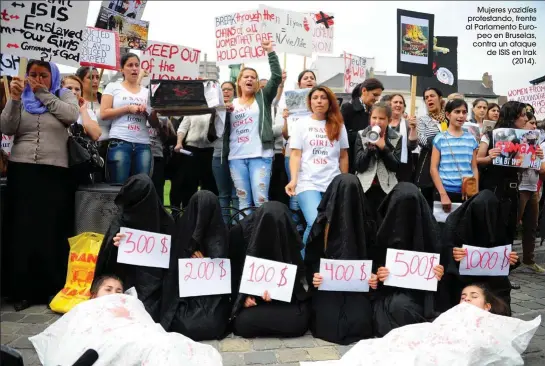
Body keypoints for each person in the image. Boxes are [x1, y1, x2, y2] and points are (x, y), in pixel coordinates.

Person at [1, 60, 79, 311]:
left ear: (52, 76)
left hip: (55, 170)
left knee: (51, 227)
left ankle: (51, 287)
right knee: (23, 228)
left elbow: (70, 115)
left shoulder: (63, 93)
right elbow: (7, 127)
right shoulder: (20, 96)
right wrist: (14, 100)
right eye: (32, 74)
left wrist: (42, 93)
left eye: (43, 75)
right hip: (23, 168)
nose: (37, 79)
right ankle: (22, 290)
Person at [305, 174, 378, 345]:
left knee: (360, 321)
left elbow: (376, 255)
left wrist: (375, 275)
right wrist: (315, 275)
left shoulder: (369, 224)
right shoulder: (323, 224)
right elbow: (311, 258)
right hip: (329, 286)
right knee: (328, 321)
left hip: (358, 288)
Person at [93, 174, 175, 321]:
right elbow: (106, 265)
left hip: (157, 285)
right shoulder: (122, 219)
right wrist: (114, 246)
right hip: (125, 280)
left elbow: (174, 260)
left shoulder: (166, 222)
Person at [371, 183, 445, 337]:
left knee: (402, 307)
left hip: (422, 297)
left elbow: (445, 269)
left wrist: (440, 272)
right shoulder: (380, 229)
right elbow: (373, 263)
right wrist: (379, 273)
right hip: (389, 293)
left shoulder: (433, 234)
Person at [229, 202, 310, 338]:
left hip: (282, 302)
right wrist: (244, 297)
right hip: (253, 302)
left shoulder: (286, 231)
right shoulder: (239, 233)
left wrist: (279, 292)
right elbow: (234, 274)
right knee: (242, 322)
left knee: (300, 320)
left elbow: (296, 278)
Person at [285, 86, 349, 254]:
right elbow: (296, 154)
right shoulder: (301, 124)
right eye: (315, 98)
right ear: (310, 102)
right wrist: (293, 180)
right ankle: (303, 264)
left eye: (323, 97)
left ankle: (320, 264)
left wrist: (344, 182)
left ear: (330, 101)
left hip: (332, 182)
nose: (319, 101)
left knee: (331, 225)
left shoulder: (339, 125)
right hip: (308, 182)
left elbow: (343, 156)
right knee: (315, 221)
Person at [160, 191, 231, 341]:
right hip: (184, 298)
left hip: (213, 298)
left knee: (211, 322)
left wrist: (207, 262)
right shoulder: (180, 231)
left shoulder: (223, 235)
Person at [439, 190, 519, 314]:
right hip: (461, 280)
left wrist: (512, 260)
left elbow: (503, 257)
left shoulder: (499, 224)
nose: (486, 222)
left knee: (500, 298)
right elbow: (444, 255)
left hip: (491, 281)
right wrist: (453, 255)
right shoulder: (455, 224)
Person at [225, 39, 282, 211]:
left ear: (257, 83)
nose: (249, 79)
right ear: (239, 82)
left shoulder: (263, 98)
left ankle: (261, 237)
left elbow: (277, 76)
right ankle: (245, 237)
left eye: (253, 77)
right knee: (243, 203)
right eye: (246, 77)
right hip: (236, 157)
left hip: (260, 155)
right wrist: (222, 113)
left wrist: (270, 52)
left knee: (260, 200)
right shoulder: (231, 104)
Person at [101, 53, 160, 184]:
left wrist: (152, 113)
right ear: (121, 69)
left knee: (141, 188)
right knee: (119, 186)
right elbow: (104, 113)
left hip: (143, 144)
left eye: (137, 65)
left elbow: (154, 123)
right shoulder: (113, 87)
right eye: (130, 65)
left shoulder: (147, 92)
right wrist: (128, 108)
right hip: (120, 142)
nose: (134, 68)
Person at [477, 101, 529, 244]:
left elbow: (523, 167)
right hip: (492, 190)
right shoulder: (490, 135)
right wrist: (489, 157)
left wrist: (533, 157)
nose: (526, 119)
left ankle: (505, 264)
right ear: (512, 117)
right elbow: (477, 159)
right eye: (523, 115)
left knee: (508, 231)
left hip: (512, 192)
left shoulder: (525, 139)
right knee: (490, 230)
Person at [281, 69, 318, 234]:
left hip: (314, 156)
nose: (309, 80)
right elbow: (285, 134)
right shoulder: (291, 104)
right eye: (306, 78)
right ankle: (297, 231)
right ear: (299, 83)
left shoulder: (320, 105)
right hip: (293, 154)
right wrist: (285, 119)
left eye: (312, 78)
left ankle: (310, 228)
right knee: (294, 194)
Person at [430, 99, 479, 211]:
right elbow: (433, 168)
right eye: (457, 112)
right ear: (448, 114)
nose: (461, 115)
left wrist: (475, 191)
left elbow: (474, 168)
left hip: (467, 192)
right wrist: (443, 195)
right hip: (446, 191)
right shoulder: (440, 138)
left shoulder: (471, 139)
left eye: (464, 112)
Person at [354, 103, 402, 214]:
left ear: (389, 121)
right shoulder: (361, 135)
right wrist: (369, 150)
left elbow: (396, 167)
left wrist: (384, 148)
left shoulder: (397, 137)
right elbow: (358, 165)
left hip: (387, 188)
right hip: (364, 187)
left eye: (381, 118)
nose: (377, 121)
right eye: (374, 118)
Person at [517, 111, 545, 273]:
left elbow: (542, 169)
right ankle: (506, 261)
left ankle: (529, 260)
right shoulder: (515, 140)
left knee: (532, 226)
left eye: (535, 123)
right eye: (530, 122)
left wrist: (539, 157)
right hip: (520, 188)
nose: (534, 126)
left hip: (533, 187)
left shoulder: (538, 144)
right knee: (513, 224)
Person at [174, 113, 219, 208]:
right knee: (189, 183)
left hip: (209, 149)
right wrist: (179, 142)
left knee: (209, 184)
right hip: (191, 149)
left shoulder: (214, 110)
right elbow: (183, 127)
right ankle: (188, 213)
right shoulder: (193, 110)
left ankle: (208, 213)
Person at [341, 78, 385, 173]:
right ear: (364, 91)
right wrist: (363, 135)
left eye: (379, 96)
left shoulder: (373, 111)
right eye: (375, 95)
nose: (377, 99)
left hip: (368, 161)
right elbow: (341, 136)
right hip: (351, 159)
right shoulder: (348, 108)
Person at [415, 87, 448, 207]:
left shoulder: (449, 118)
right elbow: (422, 140)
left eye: (432, 96)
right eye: (426, 98)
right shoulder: (422, 120)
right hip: (428, 164)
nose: (429, 99)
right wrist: (441, 139)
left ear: (440, 99)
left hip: (448, 165)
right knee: (428, 201)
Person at [76, 66, 108, 181]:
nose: (95, 81)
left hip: (107, 150)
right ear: (80, 81)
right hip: (86, 151)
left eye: (97, 77)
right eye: (90, 77)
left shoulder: (105, 100)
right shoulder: (76, 102)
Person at [212, 81, 238, 222]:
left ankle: (236, 227)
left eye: (229, 89)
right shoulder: (214, 108)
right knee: (223, 194)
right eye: (223, 90)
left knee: (236, 194)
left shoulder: (239, 108)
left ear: (234, 92)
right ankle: (224, 227)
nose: (226, 92)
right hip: (218, 154)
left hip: (236, 155)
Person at [61, 75, 102, 141]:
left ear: (81, 93)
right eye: (69, 88)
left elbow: (95, 135)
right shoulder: (53, 109)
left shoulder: (87, 111)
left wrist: (83, 110)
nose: (73, 92)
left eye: (77, 89)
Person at [388, 94, 418, 182]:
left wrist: (413, 129)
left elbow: (412, 146)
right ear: (390, 105)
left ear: (404, 107)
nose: (398, 104)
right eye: (395, 102)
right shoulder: (384, 122)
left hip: (404, 167)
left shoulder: (408, 124)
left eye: (401, 103)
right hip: (385, 165)